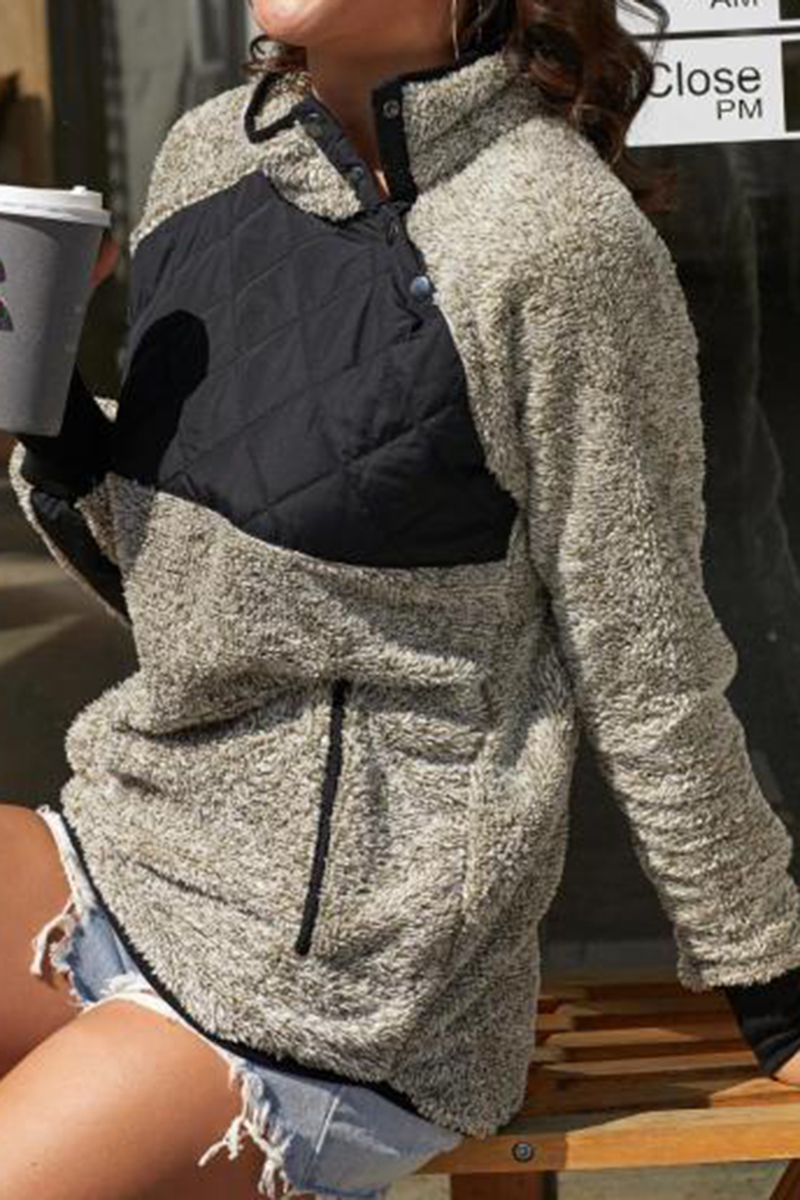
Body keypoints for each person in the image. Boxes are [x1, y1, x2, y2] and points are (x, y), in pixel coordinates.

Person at [3, 0, 800, 1196]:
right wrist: (59, 425)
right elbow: (196, 591)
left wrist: (768, 981)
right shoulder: (208, 154)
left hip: (357, 974)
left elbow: (645, 655)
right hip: (140, 834)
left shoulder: (553, 235)